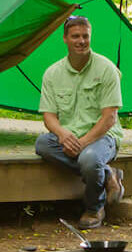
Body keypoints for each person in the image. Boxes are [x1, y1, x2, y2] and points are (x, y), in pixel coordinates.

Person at [36, 14, 125, 228]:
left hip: (102, 137)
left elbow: (109, 118)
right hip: (69, 136)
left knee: (90, 159)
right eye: (75, 36)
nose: (81, 41)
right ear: (65, 39)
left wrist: (83, 143)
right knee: (42, 144)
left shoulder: (106, 69)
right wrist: (63, 135)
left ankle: (94, 209)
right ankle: (108, 174)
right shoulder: (52, 73)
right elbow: (48, 116)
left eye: (85, 36)